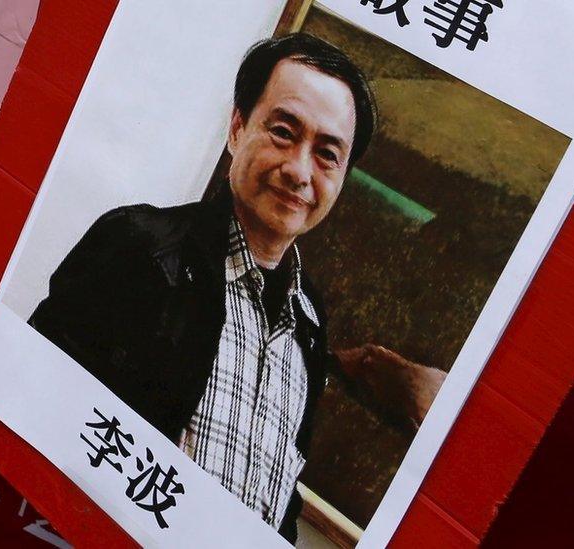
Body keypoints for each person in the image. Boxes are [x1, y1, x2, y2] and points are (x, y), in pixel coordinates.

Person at [28, 33, 446, 543]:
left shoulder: (310, 322)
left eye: (327, 154)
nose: (298, 171)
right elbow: (29, 405)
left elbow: (278, 496)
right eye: (283, 132)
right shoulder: (139, 248)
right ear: (237, 128)